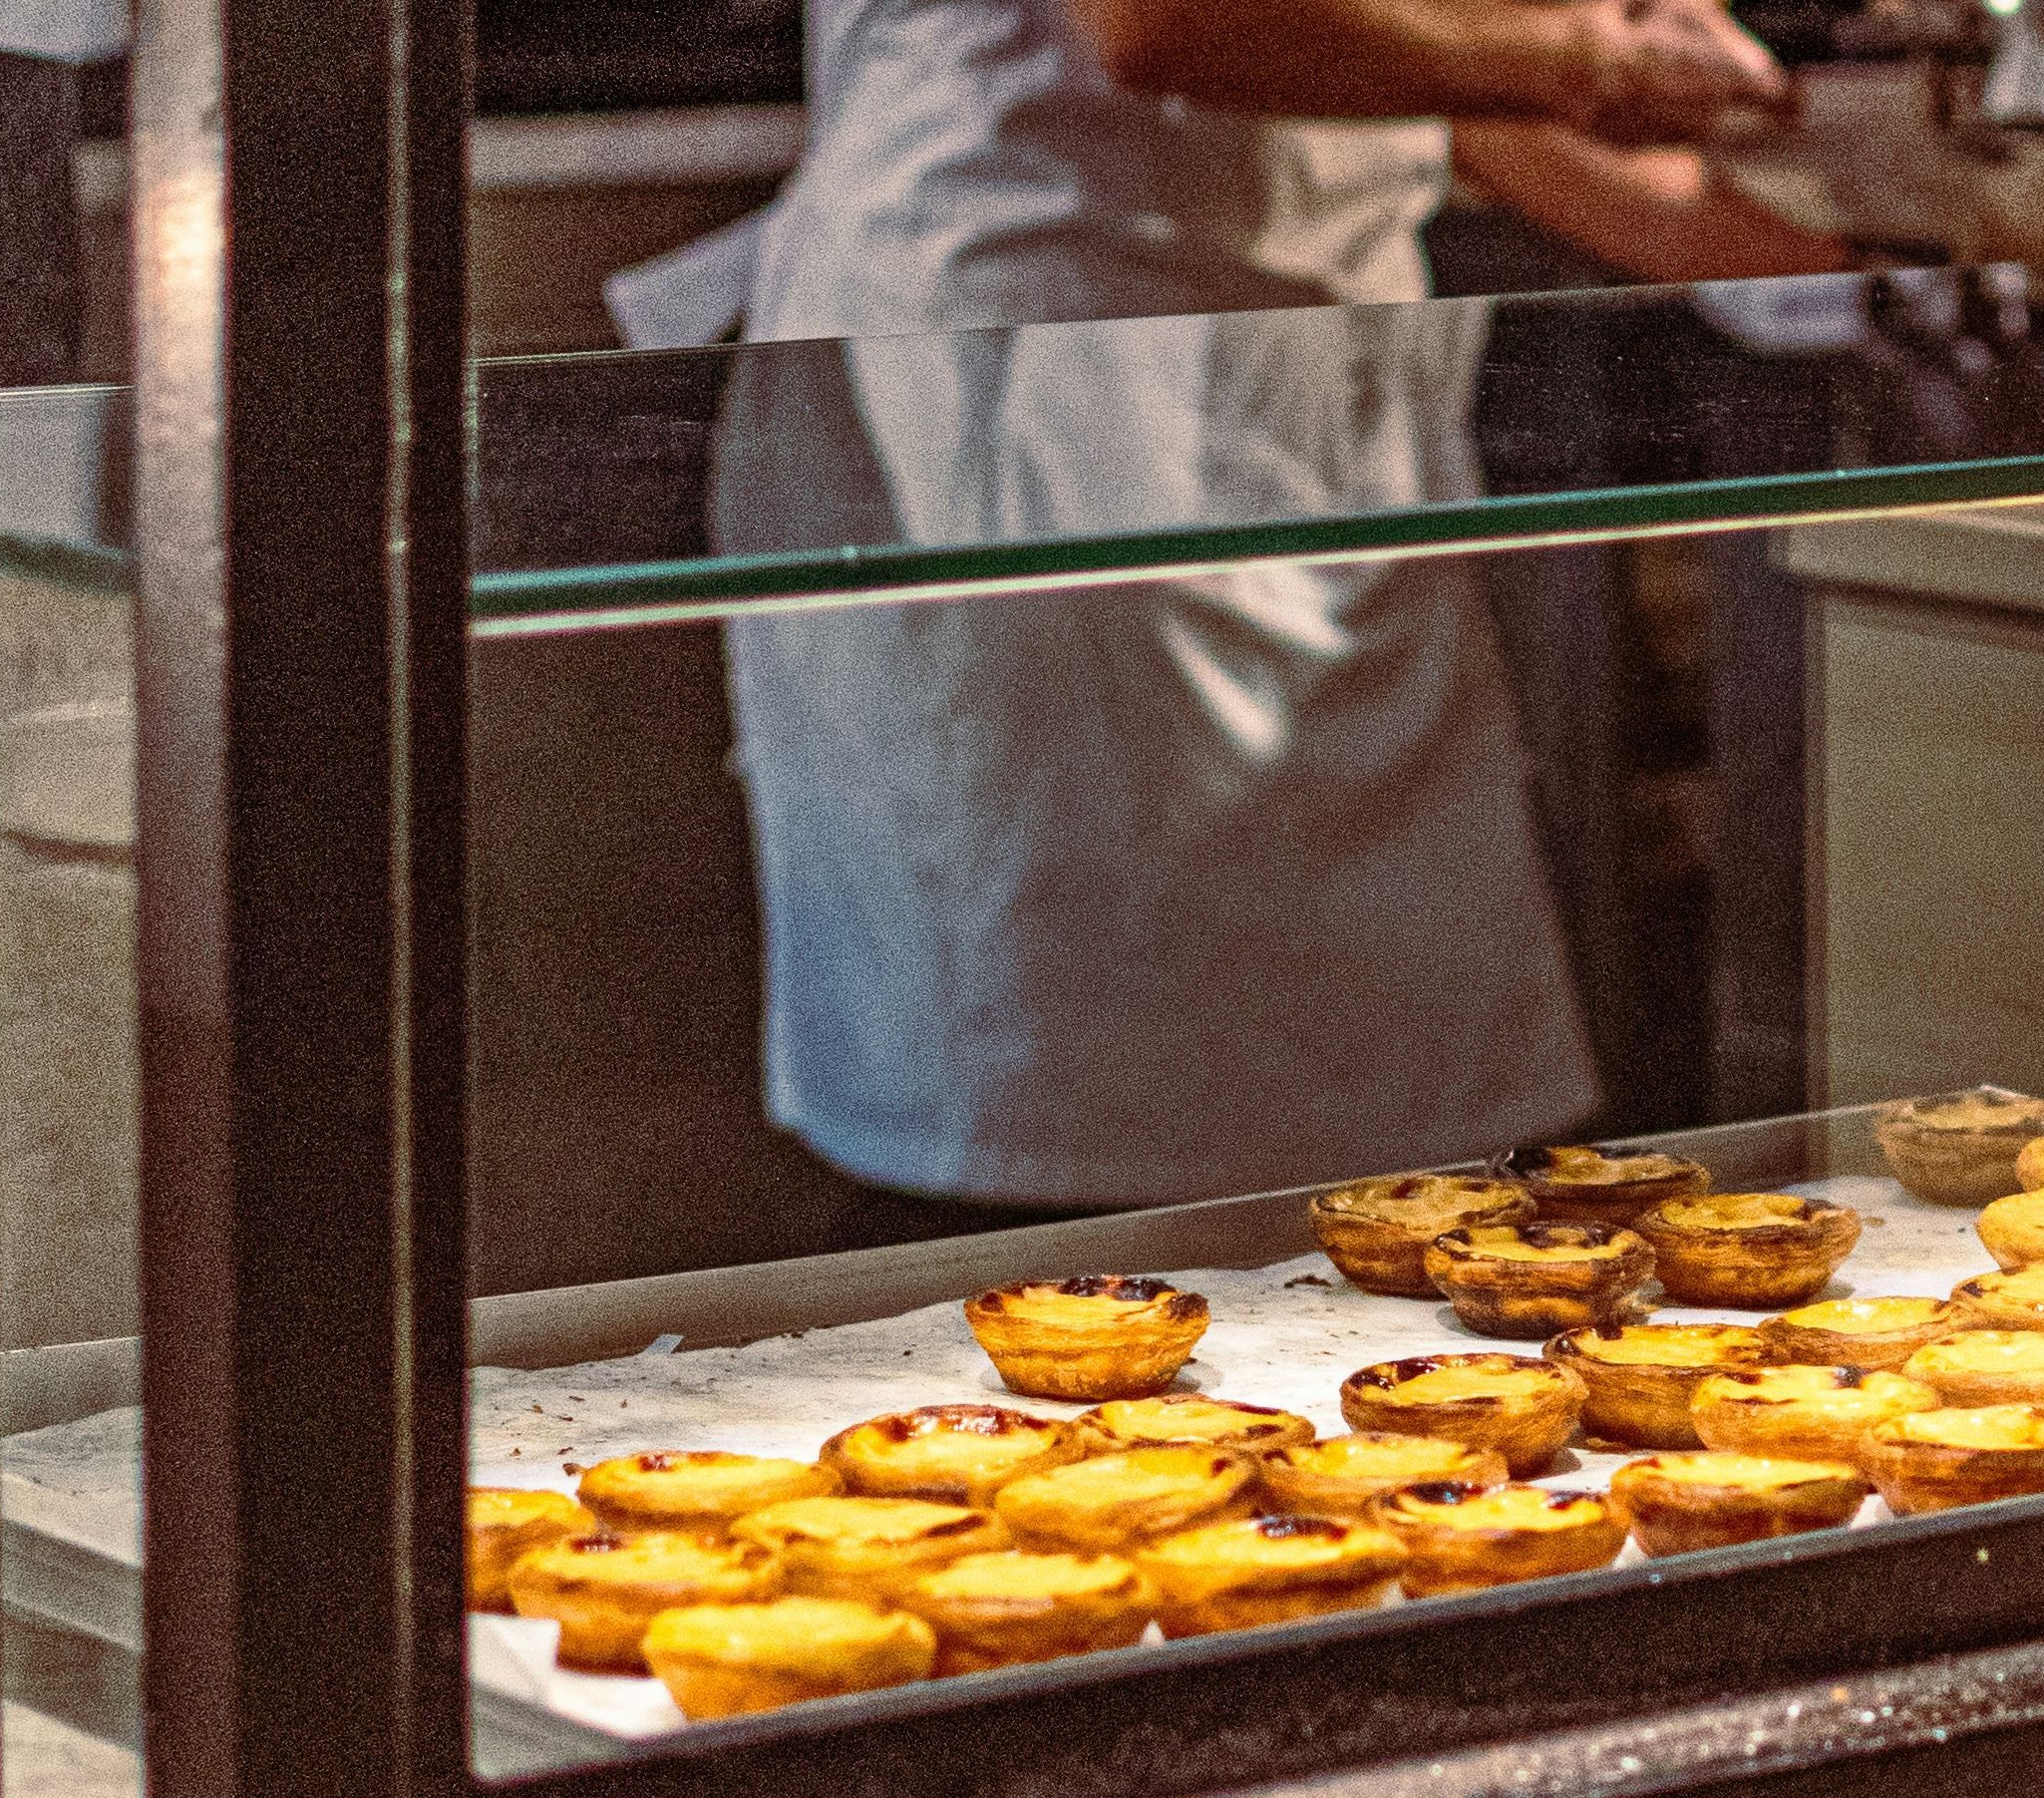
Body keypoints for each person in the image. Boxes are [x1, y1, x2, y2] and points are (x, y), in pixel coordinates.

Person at [617, 0, 1837, 1237]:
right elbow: (1161, 26)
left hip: (1275, 385)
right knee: (1061, 1083)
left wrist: (1809, 280)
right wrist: (1595, 59)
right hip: (1038, 394)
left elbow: (1422, 73)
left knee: (1379, 1108)